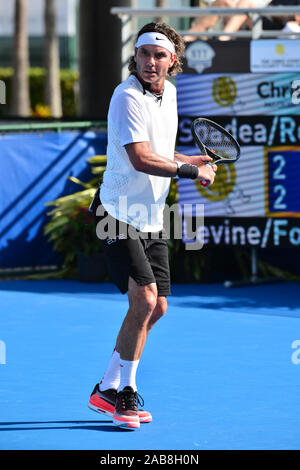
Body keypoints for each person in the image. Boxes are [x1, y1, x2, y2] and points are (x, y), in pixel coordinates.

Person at [88, 22, 217, 430]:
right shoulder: (126, 97)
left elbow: (160, 151)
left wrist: (191, 161)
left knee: (157, 305)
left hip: (151, 216)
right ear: (136, 56)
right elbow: (142, 158)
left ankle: (106, 387)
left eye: (159, 55)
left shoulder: (171, 94)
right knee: (143, 301)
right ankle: (125, 392)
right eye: (144, 53)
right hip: (116, 214)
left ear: (172, 60)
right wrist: (189, 172)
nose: (150, 61)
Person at [184, 0, 272, 41]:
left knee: (245, 4)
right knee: (220, 3)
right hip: (228, 19)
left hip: (256, 24)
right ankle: (185, 42)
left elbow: (255, 5)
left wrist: (237, 8)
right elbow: (212, 3)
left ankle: (222, 40)